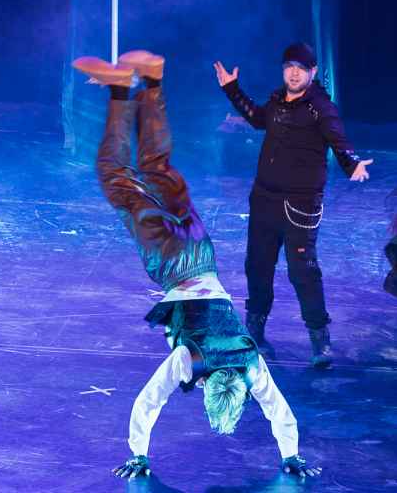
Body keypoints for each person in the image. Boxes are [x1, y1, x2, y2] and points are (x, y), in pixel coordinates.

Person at [72, 51, 320, 480]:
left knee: (157, 169)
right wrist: (139, 456)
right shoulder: (190, 361)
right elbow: (149, 400)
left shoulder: (250, 363)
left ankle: (152, 81)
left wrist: (292, 456)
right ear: (206, 393)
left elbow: (279, 410)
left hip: (202, 250)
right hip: (171, 260)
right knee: (116, 176)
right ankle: (119, 90)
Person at [214, 43, 372, 368]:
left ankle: (319, 340)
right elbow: (257, 119)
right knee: (258, 266)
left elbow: (338, 140)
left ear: (312, 72)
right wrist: (232, 89)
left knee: (303, 272)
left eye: (301, 68)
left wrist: (352, 162)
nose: (294, 73)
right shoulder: (276, 102)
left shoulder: (320, 108)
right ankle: (255, 334)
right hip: (264, 200)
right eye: (289, 67)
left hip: (300, 205)